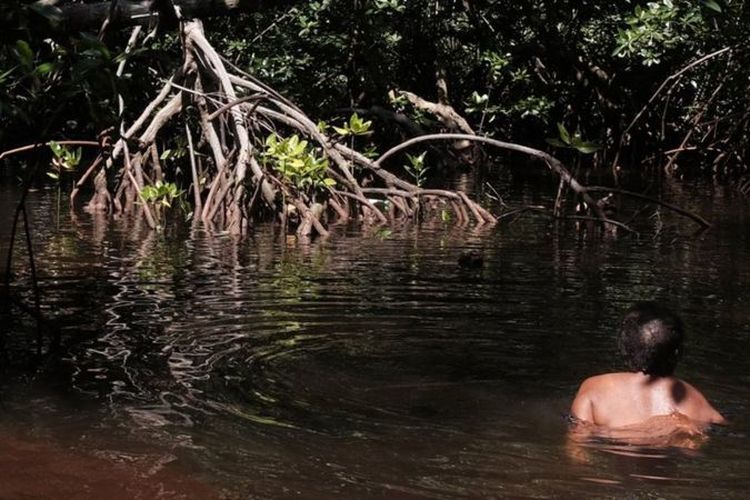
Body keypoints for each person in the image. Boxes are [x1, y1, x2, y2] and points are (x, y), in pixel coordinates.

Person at [570, 302, 725, 431]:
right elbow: (721, 426)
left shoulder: (595, 388)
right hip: (669, 460)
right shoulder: (695, 400)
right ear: (678, 352)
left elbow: (578, 447)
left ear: (625, 348)